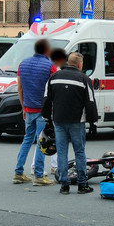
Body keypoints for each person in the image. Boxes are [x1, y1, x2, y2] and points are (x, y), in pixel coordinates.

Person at [42, 52, 99, 195]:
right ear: (79, 65)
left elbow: (46, 99)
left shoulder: (54, 78)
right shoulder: (84, 79)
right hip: (77, 121)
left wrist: (48, 119)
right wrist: (93, 123)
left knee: (61, 152)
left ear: (68, 62)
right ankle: (82, 184)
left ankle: (64, 185)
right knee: (79, 152)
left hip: (58, 121)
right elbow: (90, 102)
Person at [13, 39, 57, 185]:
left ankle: (18, 173)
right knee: (41, 143)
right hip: (42, 111)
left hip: (28, 109)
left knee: (27, 140)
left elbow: (19, 88)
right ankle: (39, 176)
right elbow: (52, 91)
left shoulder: (22, 64)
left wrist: (23, 107)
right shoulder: (50, 67)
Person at [31, 48, 67, 176]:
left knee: (46, 137)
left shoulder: (41, 67)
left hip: (37, 106)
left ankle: (41, 165)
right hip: (51, 109)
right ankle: (48, 166)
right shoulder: (52, 70)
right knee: (51, 138)